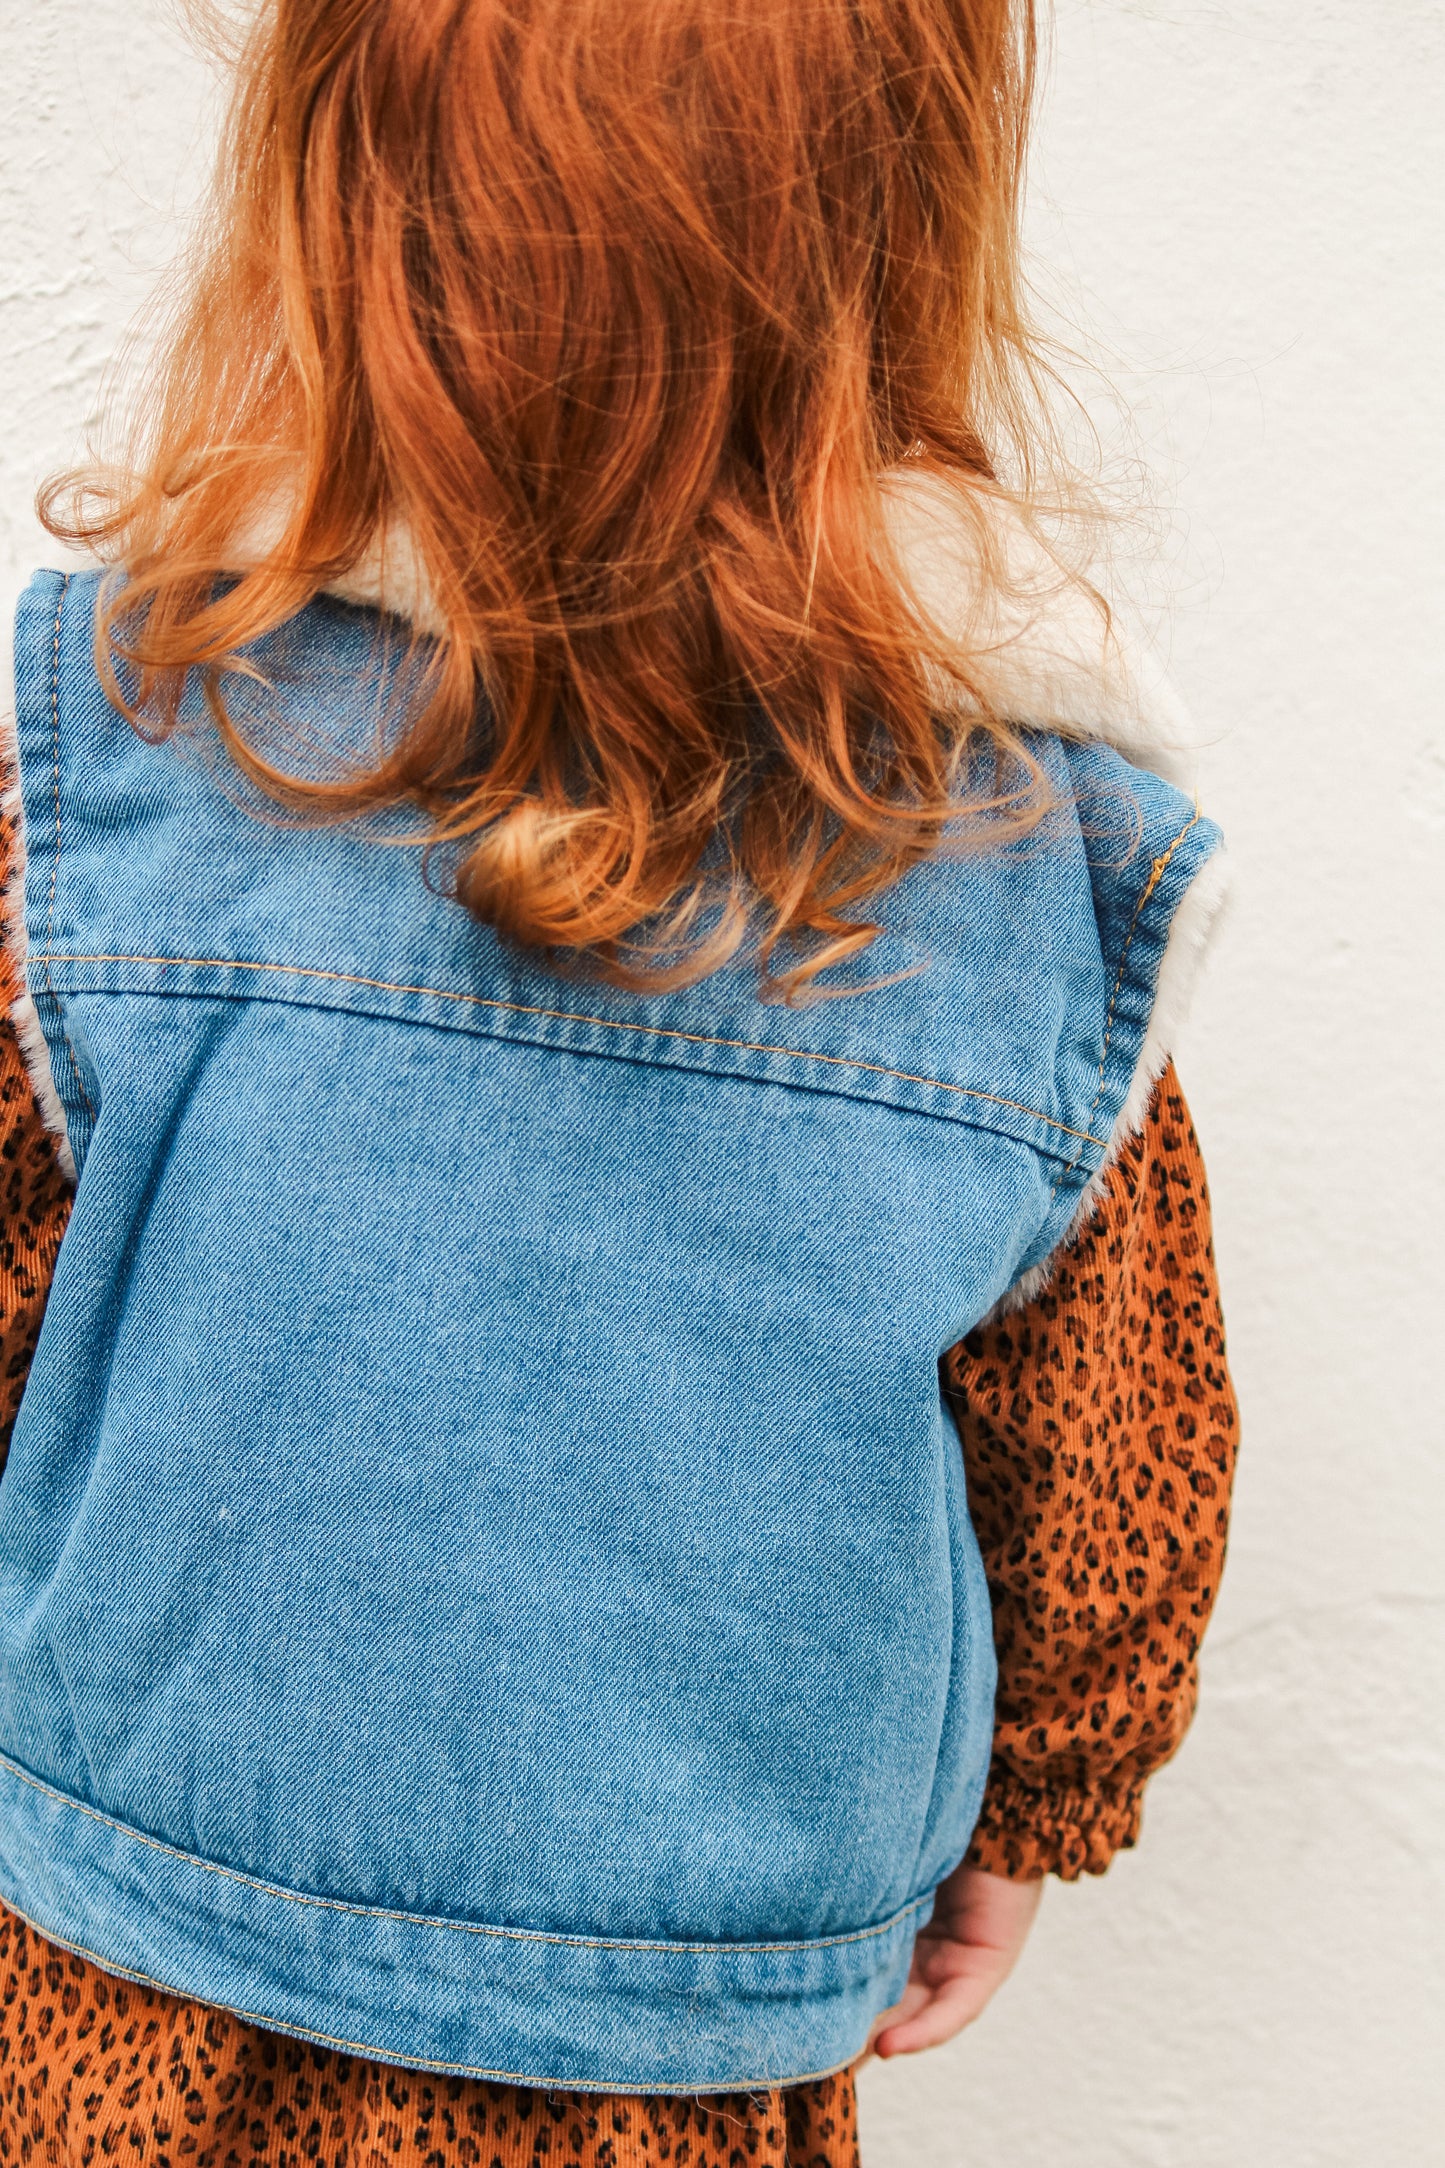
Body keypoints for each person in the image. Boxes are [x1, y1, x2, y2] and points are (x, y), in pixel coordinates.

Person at [0, 2, 1238, 2163]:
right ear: (893, 249)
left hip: (124, 1977)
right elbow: (1106, 1447)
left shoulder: (128, 757)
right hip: (670, 2054)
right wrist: (1045, 1791)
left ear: (340, 219)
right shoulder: (1033, 889)